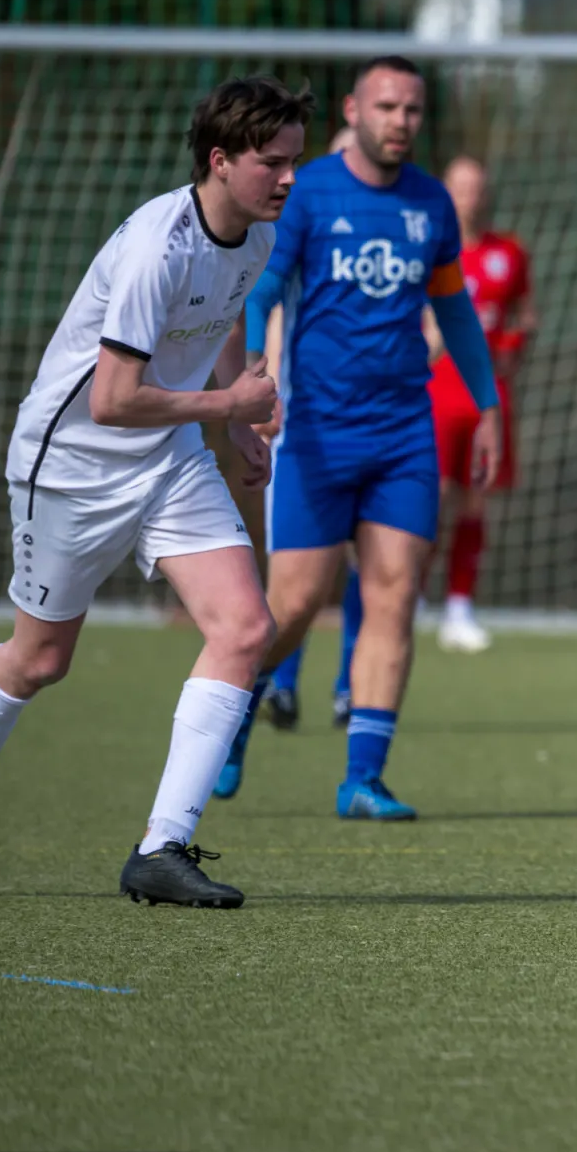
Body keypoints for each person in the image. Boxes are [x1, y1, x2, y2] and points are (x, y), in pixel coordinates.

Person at [0, 76, 309, 907]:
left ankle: (161, 849)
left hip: (168, 459)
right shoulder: (155, 249)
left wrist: (234, 415)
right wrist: (229, 407)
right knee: (41, 660)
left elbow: (223, 319)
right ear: (219, 160)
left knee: (245, 628)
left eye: (294, 162)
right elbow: (112, 399)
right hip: (71, 469)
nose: (287, 179)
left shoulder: (257, 236)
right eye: (272, 163)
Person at [211, 55, 501, 820]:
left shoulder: (432, 204)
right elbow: (263, 291)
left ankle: (362, 780)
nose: (400, 121)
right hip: (318, 430)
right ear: (354, 110)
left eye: (412, 109)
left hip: (404, 433)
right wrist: (256, 379)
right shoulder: (308, 192)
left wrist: (488, 405)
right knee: (296, 602)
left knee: (394, 595)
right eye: (386, 106)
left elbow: (456, 312)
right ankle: (240, 708)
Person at [263, 125, 365, 731]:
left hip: (374, 431)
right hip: (306, 431)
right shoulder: (303, 233)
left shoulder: (395, 243)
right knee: (296, 580)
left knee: (369, 565)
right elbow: (272, 314)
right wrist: (267, 391)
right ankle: (279, 684)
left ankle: (350, 688)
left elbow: (431, 324)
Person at [423, 154, 535, 653]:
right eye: (460, 187)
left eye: (476, 188)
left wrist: (514, 345)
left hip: (487, 395)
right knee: (428, 499)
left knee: (475, 500)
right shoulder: (427, 249)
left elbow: (525, 315)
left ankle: (459, 607)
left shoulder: (509, 252)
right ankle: (409, 595)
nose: (469, 197)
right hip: (435, 391)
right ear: (445, 192)